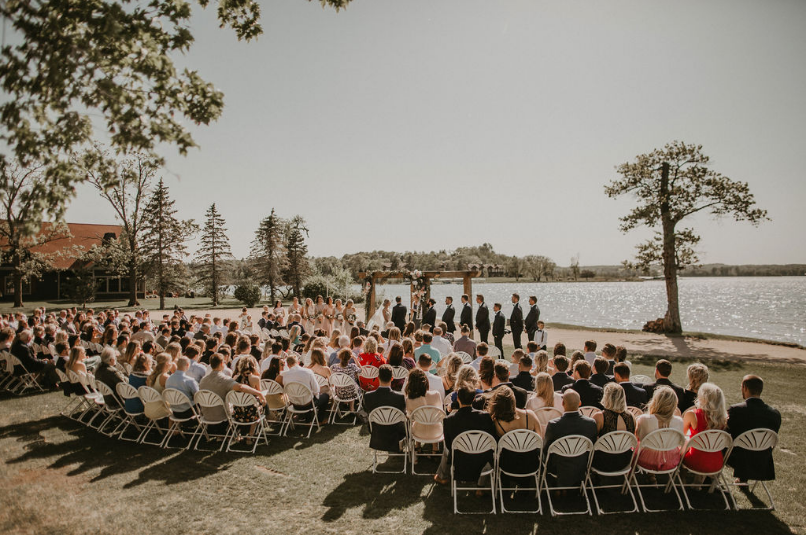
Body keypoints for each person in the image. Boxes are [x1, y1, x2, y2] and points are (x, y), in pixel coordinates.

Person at [433, 385, 496, 485]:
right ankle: (481, 486)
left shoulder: (449, 420)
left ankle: (443, 477)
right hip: (483, 461)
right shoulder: (486, 417)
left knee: (446, 449)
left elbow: (449, 446)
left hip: (460, 461)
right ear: (474, 398)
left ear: (457, 398)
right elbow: (492, 438)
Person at [726, 374, 782, 482]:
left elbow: (728, 432)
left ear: (745, 388)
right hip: (763, 457)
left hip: (738, 457)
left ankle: (709, 479)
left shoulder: (736, 410)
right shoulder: (775, 413)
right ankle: (742, 478)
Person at [542, 390, 598, 487]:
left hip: (557, 468)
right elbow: (592, 446)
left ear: (563, 403)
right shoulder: (591, 423)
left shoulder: (553, 424)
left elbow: (546, 449)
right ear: (580, 403)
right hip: (581, 466)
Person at [199, 353, 266, 423]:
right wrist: (259, 393)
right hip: (222, 415)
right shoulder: (224, 380)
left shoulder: (203, 380)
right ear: (222, 364)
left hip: (206, 416)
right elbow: (241, 387)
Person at [635, 386, 685, 471]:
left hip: (646, 460)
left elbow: (637, 438)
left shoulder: (644, 419)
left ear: (655, 401)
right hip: (670, 461)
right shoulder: (679, 421)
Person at [682, 382, 728, 474]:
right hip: (717, 462)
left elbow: (681, 436)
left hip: (695, 460)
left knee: (682, 445)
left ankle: (681, 478)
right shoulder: (724, 418)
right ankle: (698, 483)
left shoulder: (693, 414)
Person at [591, 383, 636, 472]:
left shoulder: (600, 417)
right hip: (625, 461)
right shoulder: (632, 416)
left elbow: (591, 439)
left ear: (606, 397)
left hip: (603, 462)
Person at [363, 365, 407, 453]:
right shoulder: (400, 397)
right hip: (396, 432)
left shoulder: (368, 396)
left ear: (378, 377)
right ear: (392, 378)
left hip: (377, 431)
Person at [405, 368, 443, 446]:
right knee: (432, 418)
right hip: (436, 431)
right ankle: (435, 449)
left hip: (419, 432)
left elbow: (409, 416)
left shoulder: (409, 399)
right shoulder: (436, 394)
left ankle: (417, 447)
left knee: (418, 421)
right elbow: (440, 413)